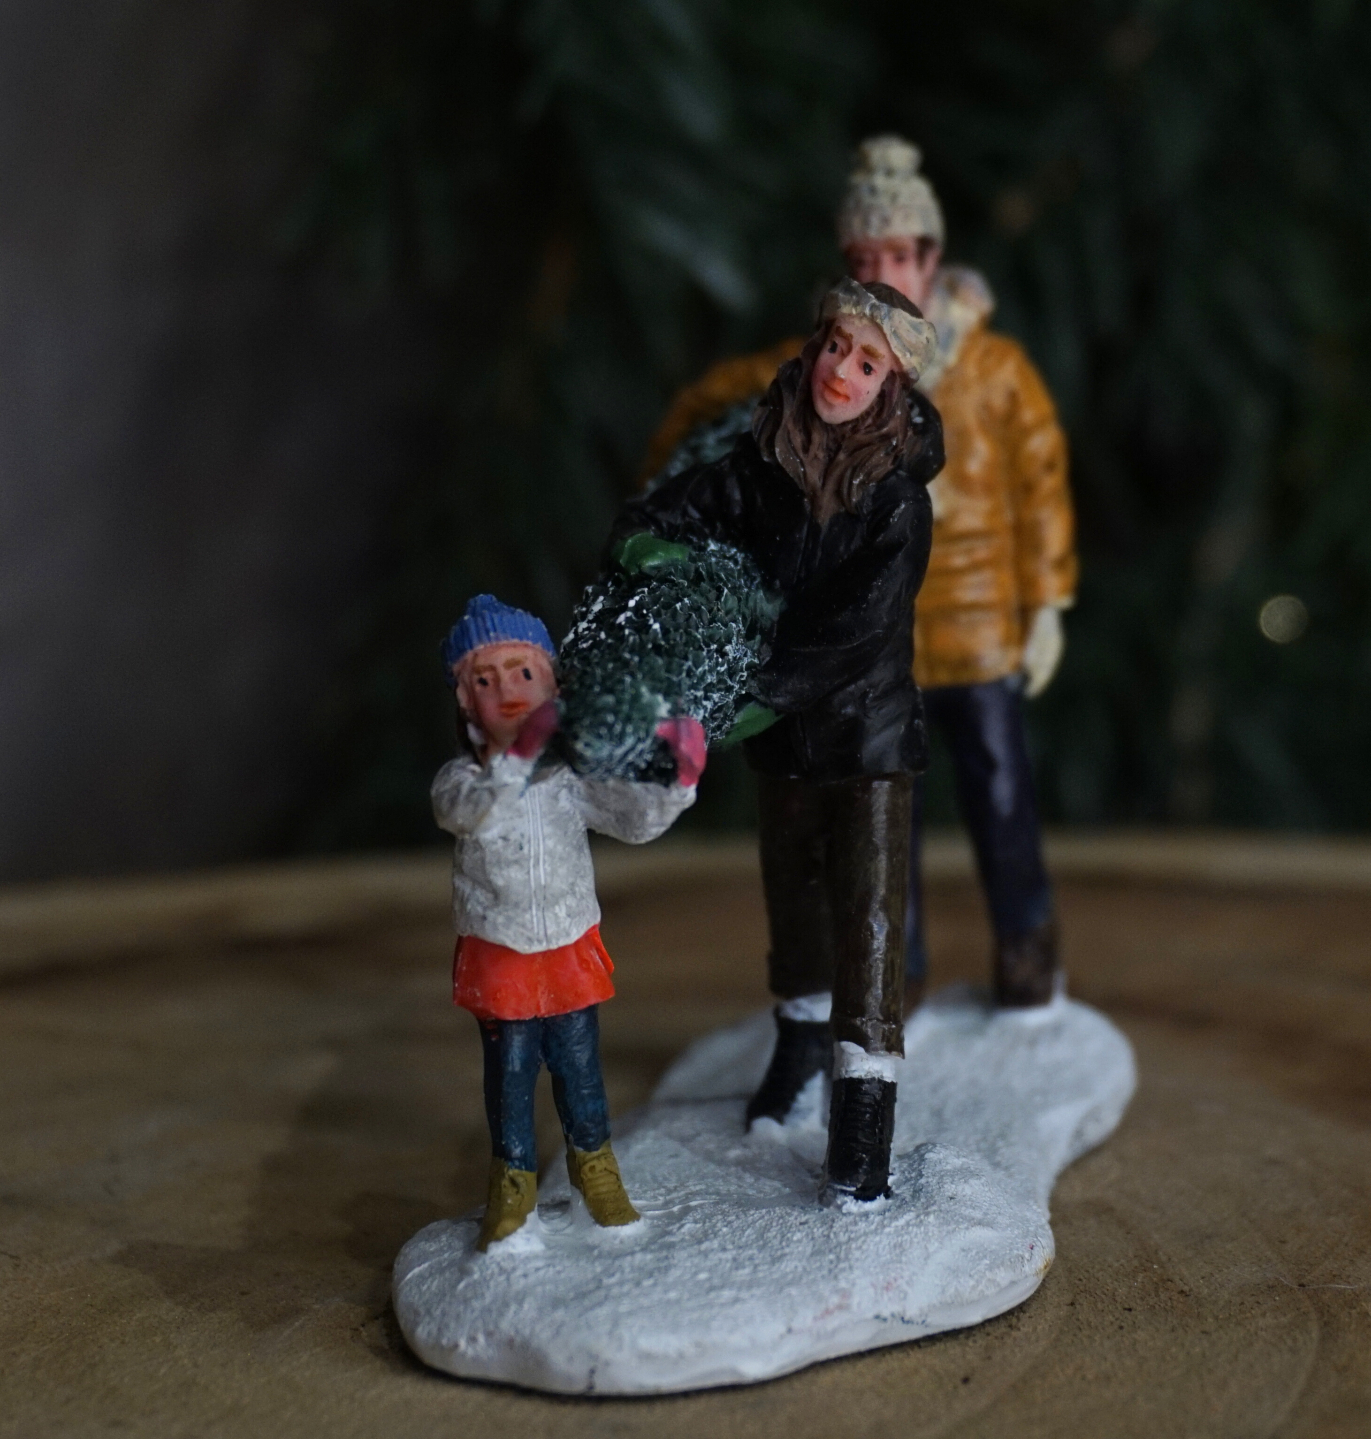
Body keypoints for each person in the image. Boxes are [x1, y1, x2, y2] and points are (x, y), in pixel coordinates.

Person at [641, 136, 1077, 1008]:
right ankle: (897, 966)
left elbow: (1041, 481)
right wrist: (670, 492)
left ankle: (1027, 948)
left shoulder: (993, 371)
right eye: (865, 258)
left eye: (899, 256)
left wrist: (1048, 601)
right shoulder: (829, 365)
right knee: (886, 815)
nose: (886, 268)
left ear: (932, 257)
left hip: (980, 624)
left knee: (1000, 792)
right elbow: (711, 408)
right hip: (878, 642)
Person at [614, 281, 942, 1203]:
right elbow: (668, 511)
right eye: (837, 347)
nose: (842, 370)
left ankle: (863, 1134)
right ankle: (796, 1052)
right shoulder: (767, 458)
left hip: (866, 740)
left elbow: (854, 634)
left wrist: (740, 696)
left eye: (867, 362)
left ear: (893, 387)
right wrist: (655, 558)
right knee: (790, 897)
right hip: (784, 742)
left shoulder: (897, 507)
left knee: (868, 922)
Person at [432, 594, 707, 1248]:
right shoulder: (460, 782)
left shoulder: (571, 781)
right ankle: (513, 1180)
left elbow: (632, 821)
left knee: (581, 1062)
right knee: (511, 1070)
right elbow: (475, 816)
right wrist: (516, 761)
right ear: (465, 701)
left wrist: (677, 776)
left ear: (553, 684)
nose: (507, 690)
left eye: (523, 673)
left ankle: (595, 1167)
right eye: (486, 678)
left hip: (566, 942)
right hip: (502, 949)